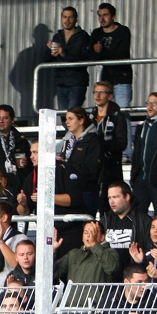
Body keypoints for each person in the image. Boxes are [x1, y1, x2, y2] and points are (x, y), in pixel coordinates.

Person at [55, 106, 102, 257]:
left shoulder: (93, 140)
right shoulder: (67, 140)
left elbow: (93, 169)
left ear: (81, 120)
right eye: (65, 119)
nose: (67, 122)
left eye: (70, 118)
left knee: (86, 229)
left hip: (87, 191)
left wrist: (70, 166)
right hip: (70, 190)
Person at [100, 182, 152, 274]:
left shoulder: (144, 220)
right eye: (109, 198)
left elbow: (150, 247)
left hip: (133, 277)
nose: (111, 201)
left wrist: (142, 261)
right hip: (108, 278)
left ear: (127, 197)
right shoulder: (105, 220)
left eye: (115, 197)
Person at [88, 3, 133, 109]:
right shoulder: (96, 33)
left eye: (105, 15)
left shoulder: (123, 31)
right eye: (99, 15)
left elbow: (121, 54)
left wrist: (101, 51)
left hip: (121, 79)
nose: (102, 19)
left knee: (122, 113)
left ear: (113, 16)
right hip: (105, 81)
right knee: (106, 114)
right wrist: (96, 52)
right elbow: (91, 56)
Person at [88, 81, 129, 192]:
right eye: (95, 92)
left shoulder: (117, 116)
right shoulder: (90, 117)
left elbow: (122, 143)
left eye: (102, 92)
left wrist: (101, 144)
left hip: (110, 167)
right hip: (92, 167)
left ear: (110, 96)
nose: (97, 95)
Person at [48, 6, 91, 109]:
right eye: (64, 17)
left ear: (76, 19)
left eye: (70, 17)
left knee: (73, 115)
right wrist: (50, 52)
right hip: (61, 83)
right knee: (64, 118)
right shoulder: (57, 36)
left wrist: (63, 53)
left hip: (77, 83)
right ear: (61, 18)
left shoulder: (84, 37)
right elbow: (47, 60)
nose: (67, 20)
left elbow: (85, 59)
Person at [54, 221, 120, 285]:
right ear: (82, 237)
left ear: (102, 237)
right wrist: (52, 251)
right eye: (86, 232)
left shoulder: (110, 252)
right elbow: (53, 274)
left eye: (93, 232)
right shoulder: (73, 254)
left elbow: (112, 268)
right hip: (75, 296)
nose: (89, 235)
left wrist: (94, 244)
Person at [0, 104, 32, 186]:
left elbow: (30, 165)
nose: (1, 121)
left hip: (18, 186)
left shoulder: (21, 140)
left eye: (5, 118)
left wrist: (27, 162)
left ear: (12, 120)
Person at [17, 140, 40, 217]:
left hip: (68, 225)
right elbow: (24, 212)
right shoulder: (30, 177)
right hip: (42, 226)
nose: (31, 156)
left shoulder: (62, 169)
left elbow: (74, 199)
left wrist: (47, 198)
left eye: (35, 152)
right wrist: (23, 204)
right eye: (31, 153)